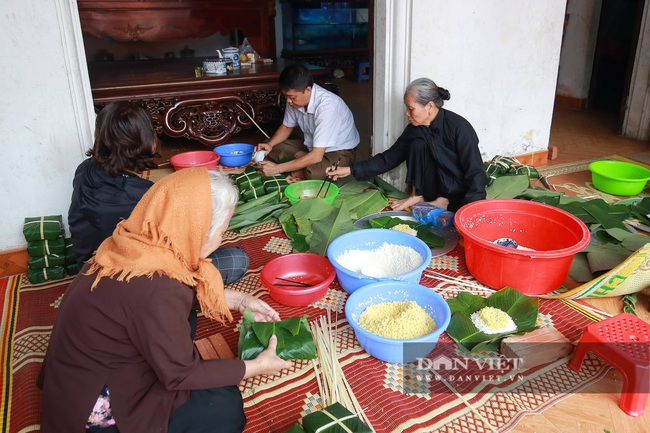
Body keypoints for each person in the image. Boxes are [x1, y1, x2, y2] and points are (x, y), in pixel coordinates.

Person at [39, 168, 292, 433]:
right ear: (197, 231)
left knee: (190, 330)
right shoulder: (158, 288)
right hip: (96, 404)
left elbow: (158, 300)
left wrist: (239, 299)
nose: (222, 239)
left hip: (74, 376)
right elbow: (181, 374)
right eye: (221, 231)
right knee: (222, 407)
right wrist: (256, 366)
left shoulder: (135, 243)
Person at [68, 101, 250, 284]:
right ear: (147, 140)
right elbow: (185, 251)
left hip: (86, 270)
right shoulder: (148, 198)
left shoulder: (84, 169)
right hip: (129, 281)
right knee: (236, 260)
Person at [326, 78, 487, 212]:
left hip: (457, 189)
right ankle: (419, 196)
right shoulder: (415, 130)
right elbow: (389, 158)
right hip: (435, 188)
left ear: (430, 106)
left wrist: (471, 212)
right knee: (417, 144)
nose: (407, 114)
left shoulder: (459, 128)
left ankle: (445, 201)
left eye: (411, 108)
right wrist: (349, 170)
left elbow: (475, 173)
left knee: (462, 204)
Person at [255, 63, 360, 180]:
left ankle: (302, 162)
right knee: (272, 147)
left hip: (339, 152)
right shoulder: (294, 100)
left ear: (308, 90)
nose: (288, 101)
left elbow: (316, 156)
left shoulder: (328, 107)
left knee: (314, 173)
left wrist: (278, 168)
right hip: (312, 146)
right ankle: (302, 160)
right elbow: (286, 127)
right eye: (286, 96)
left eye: (292, 97)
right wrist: (270, 144)